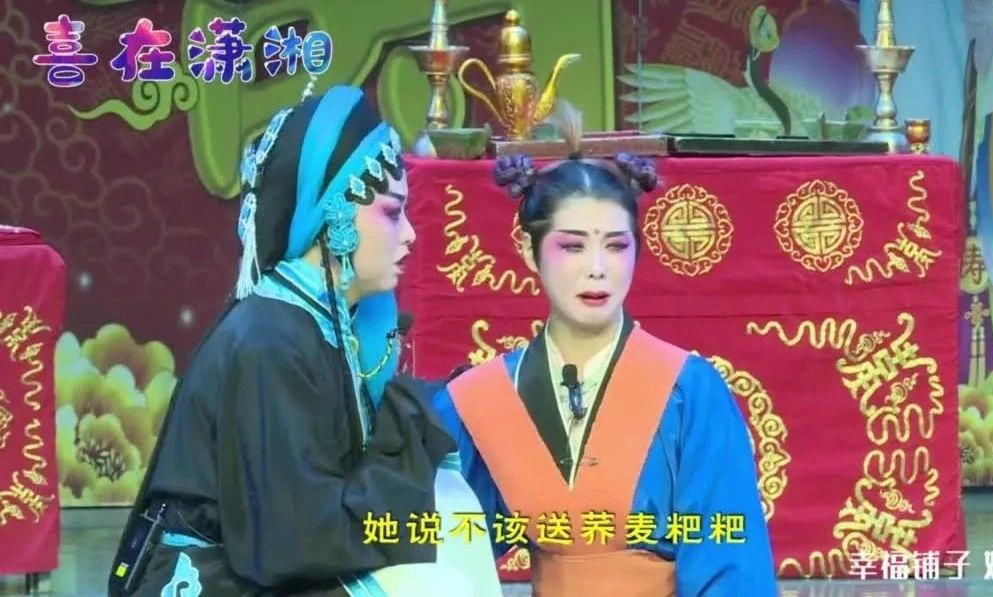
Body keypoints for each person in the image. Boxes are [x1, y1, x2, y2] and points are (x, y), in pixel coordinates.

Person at [108, 83, 502, 596]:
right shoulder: (270, 341)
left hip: (257, 563)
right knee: (440, 585)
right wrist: (408, 455)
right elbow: (294, 539)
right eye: (391, 212)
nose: (409, 234)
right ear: (333, 216)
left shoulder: (317, 321)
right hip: (208, 578)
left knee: (449, 524)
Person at [433, 104, 777, 596]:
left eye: (616, 246)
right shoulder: (481, 399)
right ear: (530, 251)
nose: (597, 268)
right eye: (573, 246)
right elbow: (440, 550)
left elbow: (732, 567)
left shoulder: (689, 391)